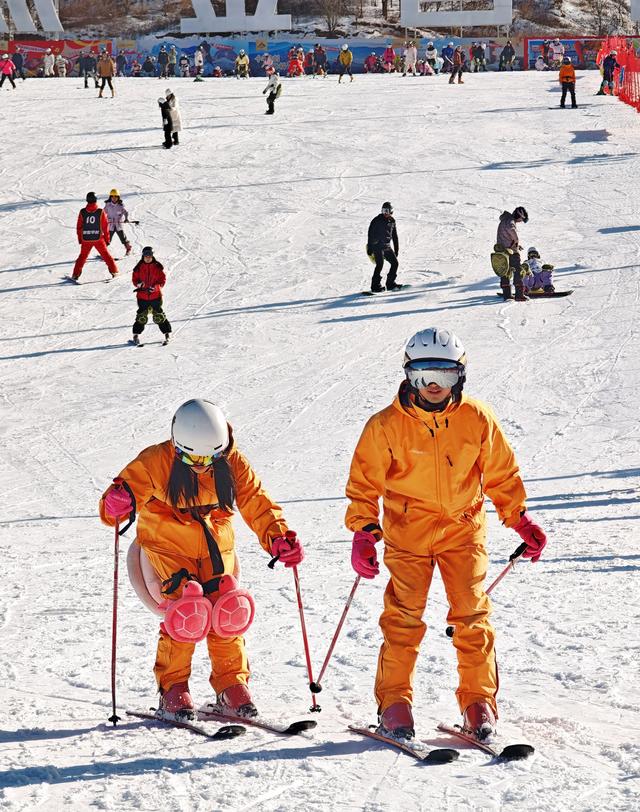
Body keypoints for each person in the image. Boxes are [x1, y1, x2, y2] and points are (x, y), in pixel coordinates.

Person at [345, 327, 547, 741]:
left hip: (463, 531)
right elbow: (363, 484)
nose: (434, 385)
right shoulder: (384, 426)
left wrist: (519, 518)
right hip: (407, 534)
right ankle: (395, 703)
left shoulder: (476, 418)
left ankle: (478, 703)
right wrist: (365, 532)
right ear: (408, 375)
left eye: (446, 374)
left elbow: (501, 474)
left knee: (472, 618)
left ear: (461, 375)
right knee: (402, 619)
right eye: (423, 375)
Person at [99, 398, 304, 720]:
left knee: (228, 608)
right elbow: (118, 501)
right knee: (187, 609)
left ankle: (231, 685)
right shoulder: (155, 461)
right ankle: (173, 689)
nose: (201, 464)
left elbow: (257, 502)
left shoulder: (233, 462)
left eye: (211, 456)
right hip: (167, 544)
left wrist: (278, 537)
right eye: (192, 456)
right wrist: (117, 504)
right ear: (178, 446)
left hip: (215, 542)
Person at [71, 192, 118, 281]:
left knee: (82, 257)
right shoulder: (100, 212)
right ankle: (114, 271)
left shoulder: (83, 212)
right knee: (106, 255)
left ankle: (75, 274)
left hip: (86, 239)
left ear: (87, 200)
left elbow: (79, 227)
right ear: (96, 200)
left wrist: (80, 239)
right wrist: (107, 240)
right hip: (98, 239)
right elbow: (105, 227)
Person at [130, 246, 172, 345]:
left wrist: (156, 287)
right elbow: (135, 279)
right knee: (141, 317)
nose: (148, 257)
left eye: (150, 256)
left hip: (156, 296)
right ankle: (136, 335)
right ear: (143, 256)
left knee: (159, 316)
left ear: (152, 256)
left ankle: (167, 333)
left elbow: (162, 280)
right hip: (142, 297)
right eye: (146, 256)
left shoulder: (157, 267)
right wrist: (138, 284)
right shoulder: (138, 268)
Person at [495, 206, 529, 301]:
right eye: (522, 219)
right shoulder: (510, 222)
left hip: (501, 251)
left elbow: (505, 238)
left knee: (505, 271)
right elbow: (513, 234)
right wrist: (516, 243)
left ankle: (507, 294)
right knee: (517, 271)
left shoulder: (504, 220)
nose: (520, 221)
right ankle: (519, 294)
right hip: (511, 252)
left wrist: (517, 245)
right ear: (519, 216)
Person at [367, 202, 400, 293]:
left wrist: (396, 250)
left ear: (391, 211)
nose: (385, 212)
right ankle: (375, 286)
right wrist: (370, 247)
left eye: (387, 210)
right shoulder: (377, 220)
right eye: (383, 210)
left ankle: (390, 284)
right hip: (377, 246)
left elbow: (395, 236)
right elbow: (370, 233)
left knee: (395, 263)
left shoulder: (392, 221)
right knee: (380, 265)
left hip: (387, 246)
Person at [104, 189, 132, 256]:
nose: (114, 198)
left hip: (118, 225)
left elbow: (125, 212)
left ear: (118, 197)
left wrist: (126, 218)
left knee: (123, 238)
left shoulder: (120, 206)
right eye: (112, 196)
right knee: (107, 239)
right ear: (110, 197)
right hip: (110, 225)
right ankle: (103, 252)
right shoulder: (108, 205)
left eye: (115, 196)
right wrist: (103, 220)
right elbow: (103, 213)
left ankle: (128, 249)